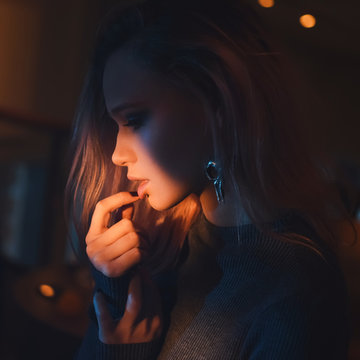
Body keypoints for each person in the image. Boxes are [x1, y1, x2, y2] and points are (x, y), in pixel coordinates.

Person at [64, 0, 358, 358]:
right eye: (115, 126)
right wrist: (116, 292)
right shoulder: (163, 242)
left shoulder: (295, 293)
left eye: (135, 120)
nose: (116, 154)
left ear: (216, 101)